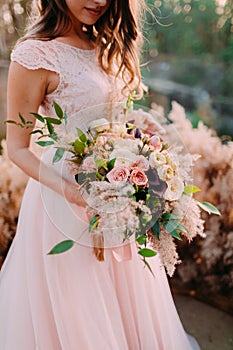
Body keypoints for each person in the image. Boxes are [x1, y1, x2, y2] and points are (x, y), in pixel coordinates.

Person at [0, 0, 201, 349]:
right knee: (79, 301)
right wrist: (72, 192)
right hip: (64, 202)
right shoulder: (34, 55)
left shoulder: (103, 43)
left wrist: (139, 128)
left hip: (116, 193)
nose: (100, 1)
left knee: (125, 295)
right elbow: (16, 147)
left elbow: (105, 118)